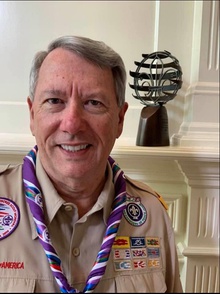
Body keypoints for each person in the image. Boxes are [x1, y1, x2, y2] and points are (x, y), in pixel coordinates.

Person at [0, 35, 183, 293]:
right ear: (32, 115)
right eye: (55, 101)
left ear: (119, 120)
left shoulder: (152, 215)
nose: (72, 124)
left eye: (93, 103)